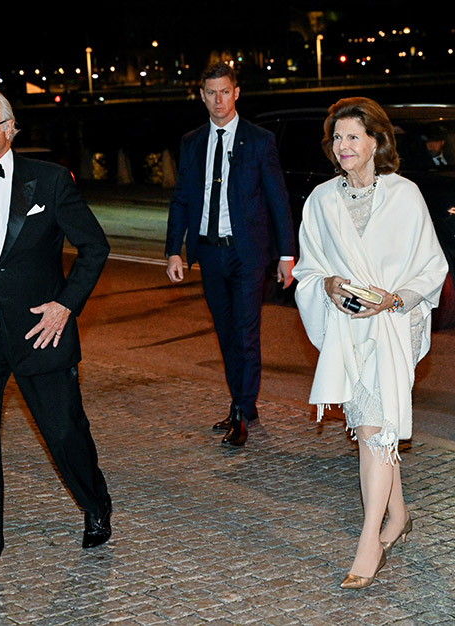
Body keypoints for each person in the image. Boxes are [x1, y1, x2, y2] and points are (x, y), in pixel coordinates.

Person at [0, 86, 112, 587]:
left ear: (9, 128)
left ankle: (96, 504)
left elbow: (95, 247)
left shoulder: (49, 181)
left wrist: (65, 306)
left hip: (40, 333)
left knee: (64, 432)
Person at [292, 97, 447, 589]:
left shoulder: (406, 195)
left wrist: (395, 300)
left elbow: (431, 267)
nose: (343, 146)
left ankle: (369, 543)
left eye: (353, 137)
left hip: (395, 322)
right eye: (337, 138)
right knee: (368, 429)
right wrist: (330, 286)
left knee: (376, 428)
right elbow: (308, 269)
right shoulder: (320, 200)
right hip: (346, 327)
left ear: (376, 142)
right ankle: (397, 516)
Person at [165, 62, 296, 447]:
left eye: (225, 91)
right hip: (209, 252)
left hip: (247, 253)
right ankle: (243, 404)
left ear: (236, 93)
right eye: (211, 93)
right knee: (225, 335)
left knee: (245, 333)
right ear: (201, 96)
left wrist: (287, 255)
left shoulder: (259, 140)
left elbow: (278, 199)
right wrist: (175, 250)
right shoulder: (191, 142)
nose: (219, 100)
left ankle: (241, 411)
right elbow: (181, 199)